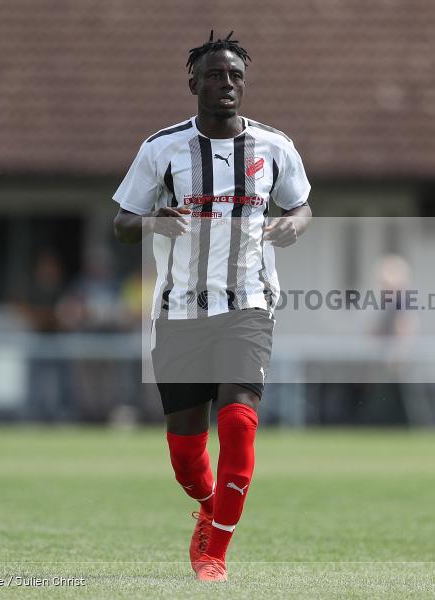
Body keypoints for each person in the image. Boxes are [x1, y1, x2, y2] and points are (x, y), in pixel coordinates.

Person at [112, 31, 311, 581]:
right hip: (179, 313)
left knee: (240, 422)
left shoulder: (275, 147)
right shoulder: (162, 148)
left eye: (236, 76)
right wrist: (155, 219)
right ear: (194, 82)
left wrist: (292, 225)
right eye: (217, 75)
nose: (227, 84)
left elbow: (301, 206)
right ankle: (206, 505)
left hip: (248, 305)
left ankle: (214, 551)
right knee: (185, 458)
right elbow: (123, 223)